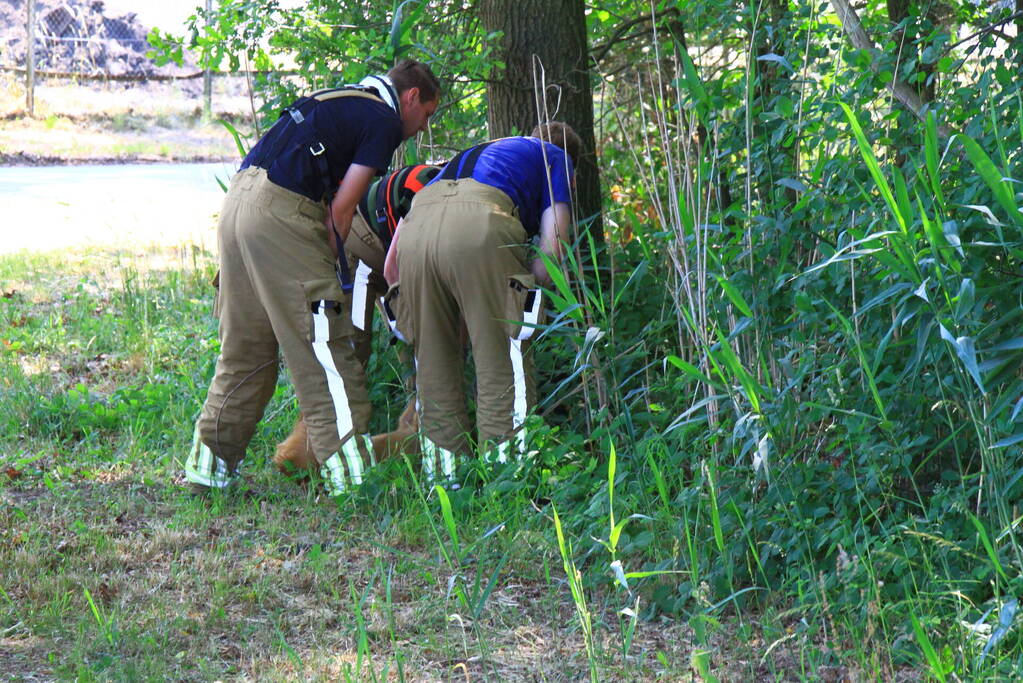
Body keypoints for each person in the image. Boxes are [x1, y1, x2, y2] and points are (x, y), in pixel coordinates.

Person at [184, 59, 441, 497]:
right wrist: (329, 272)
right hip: (281, 213)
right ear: (411, 97)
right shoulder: (382, 118)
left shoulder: (343, 99)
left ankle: (208, 473)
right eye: (427, 115)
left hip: (237, 203)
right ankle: (352, 481)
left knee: (246, 350)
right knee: (326, 349)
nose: (421, 128)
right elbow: (341, 211)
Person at [384, 122, 580, 484]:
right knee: (503, 360)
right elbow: (553, 252)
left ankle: (445, 482)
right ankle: (508, 482)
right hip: (480, 226)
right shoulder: (555, 157)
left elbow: (390, 265)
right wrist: (512, 288)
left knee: (433, 365)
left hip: (416, 231)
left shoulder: (471, 155)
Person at [272, 163, 442, 475]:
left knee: (425, 349)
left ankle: (415, 433)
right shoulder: (439, 185)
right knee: (348, 357)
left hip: (399, 257)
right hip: (364, 254)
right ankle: (303, 457)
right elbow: (395, 271)